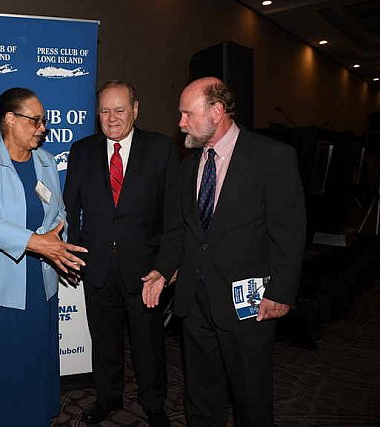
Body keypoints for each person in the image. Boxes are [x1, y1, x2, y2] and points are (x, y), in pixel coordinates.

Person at [175, 77, 306, 426]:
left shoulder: (272, 156)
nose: (181, 122)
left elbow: (290, 232)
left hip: (250, 305)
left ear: (216, 112)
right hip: (196, 301)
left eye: (188, 114)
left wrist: (281, 291)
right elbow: (191, 234)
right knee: (201, 394)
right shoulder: (189, 165)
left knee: (251, 395)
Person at [0, 87, 88, 427]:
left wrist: (56, 234)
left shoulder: (46, 161)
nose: (42, 128)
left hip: (40, 278)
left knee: (34, 355)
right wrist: (36, 242)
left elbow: (59, 209)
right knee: (4, 357)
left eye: (43, 121)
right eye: (35, 120)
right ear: (9, 119)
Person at [63, 81, 181, 426]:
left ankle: (154, 404)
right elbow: (70, 209)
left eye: (119, 110)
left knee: (148, 343)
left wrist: (164, 266)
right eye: (104, 111)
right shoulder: (81, 150)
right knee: (104, 341)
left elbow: (175, 217)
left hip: (145, 272)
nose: (111, 118)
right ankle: (108, 398)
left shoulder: (161, 149)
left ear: (135, 109)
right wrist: (77, 253)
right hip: (97, 267)